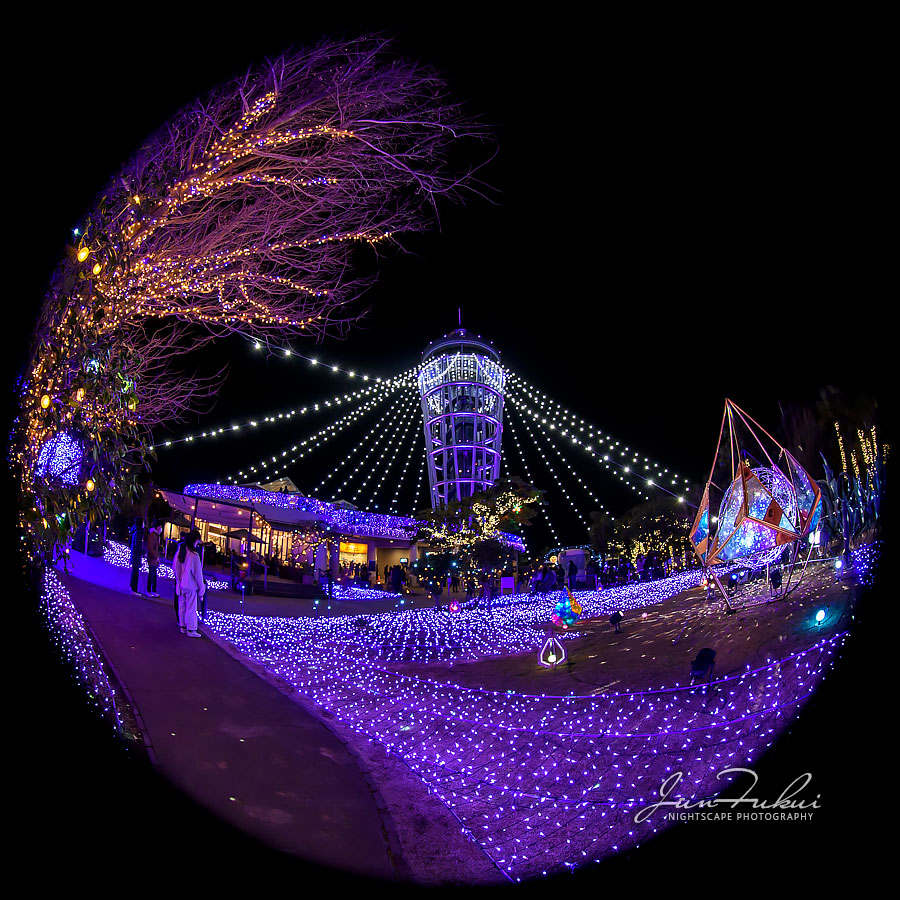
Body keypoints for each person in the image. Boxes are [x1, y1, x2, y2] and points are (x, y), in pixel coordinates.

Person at [174, 530, 205, 638]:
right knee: (191, 608)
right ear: (194, 541)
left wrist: (178, 580)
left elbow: (175, 567)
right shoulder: (194, 555)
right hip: (191, 586)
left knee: (182, 606)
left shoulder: (181, 550)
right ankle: (191, 629)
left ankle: (183, 626)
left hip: (181, 584)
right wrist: (202, 590)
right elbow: (198, 575)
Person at [145, 518, 162, 597]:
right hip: (152, 558)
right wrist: (155, 556)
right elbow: (150, 547)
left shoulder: (157, 536)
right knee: (151, 574)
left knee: (154, 575)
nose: (161, 528)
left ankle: (153, 590)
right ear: (157, 527)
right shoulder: (152, 535)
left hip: (154, 559)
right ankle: (148, 590)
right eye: (160, 526)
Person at [128, 515, 144, 595]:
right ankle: (134, 589)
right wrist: (141, 552)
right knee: (136, 572)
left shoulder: (134, 530)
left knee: (134, 571)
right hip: (136, 554)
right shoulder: (138, 532)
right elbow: (137, 544)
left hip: (134, 553)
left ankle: (132, 587)